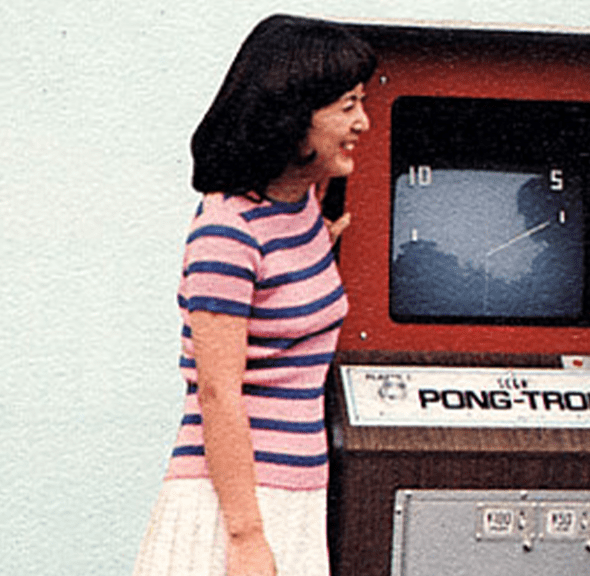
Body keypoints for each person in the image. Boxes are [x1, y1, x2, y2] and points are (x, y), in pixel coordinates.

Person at [133, 14, 375, 576]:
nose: (363, 122)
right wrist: (245, 538)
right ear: (292, 118)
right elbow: (218, 393)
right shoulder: (226, 233)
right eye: (346, 107)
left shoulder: (303, 205)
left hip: (295, 494)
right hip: (232, 509)